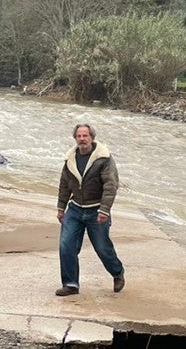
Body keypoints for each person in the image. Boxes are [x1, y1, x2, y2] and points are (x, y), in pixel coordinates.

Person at [55, 123, 125, 296]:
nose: (82, 139)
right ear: (75, 138)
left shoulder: (103, 158)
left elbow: (110, 185)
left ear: (92, 137)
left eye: (85, 135)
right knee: (66, 246)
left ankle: (117, 273)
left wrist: (104, 210)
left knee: (102, 248)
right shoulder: (70, 159)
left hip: (97, 210)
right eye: (79, 136)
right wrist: (61, 208)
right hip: (75, 209)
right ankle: (71, 284)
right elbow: (64, 185)